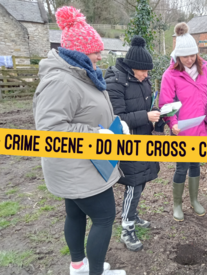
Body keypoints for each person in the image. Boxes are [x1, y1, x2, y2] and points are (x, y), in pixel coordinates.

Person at [33, 6, 127, 275]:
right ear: (79, 52)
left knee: (75, 214)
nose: (100, 54)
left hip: (79, 164)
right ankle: (95, 272)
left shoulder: (80, 75)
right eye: (95, 50)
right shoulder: (62, 81)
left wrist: (116, 126)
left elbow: (85, 113)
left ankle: (78, 266)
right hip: (79, 165)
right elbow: (49, 131)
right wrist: (96, 135)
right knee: (104, 217)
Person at [159, 22, 207, 222]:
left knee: (196, 165)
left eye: (192, 55)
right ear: (177, 56)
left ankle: (194, 200)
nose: (189, 59)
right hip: (182, 130)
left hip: (201, 127)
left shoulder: (204, 71)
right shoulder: (170, 75)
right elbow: (166, 103)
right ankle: (177, 203)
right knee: (181, 166)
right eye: (185, 56)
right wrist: (173, 123)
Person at [105, 36, 160, 252]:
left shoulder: (142, 80)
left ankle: (133, 214)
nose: (147, 75)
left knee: (142, 180)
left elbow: (146, 106)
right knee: (133, 184)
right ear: (132, 67)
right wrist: (146, 116)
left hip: (145, 139)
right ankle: (126, 228)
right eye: (144, 71)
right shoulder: (115, 83)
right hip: (128, 143)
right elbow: (116, 119)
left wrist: (158, 114)